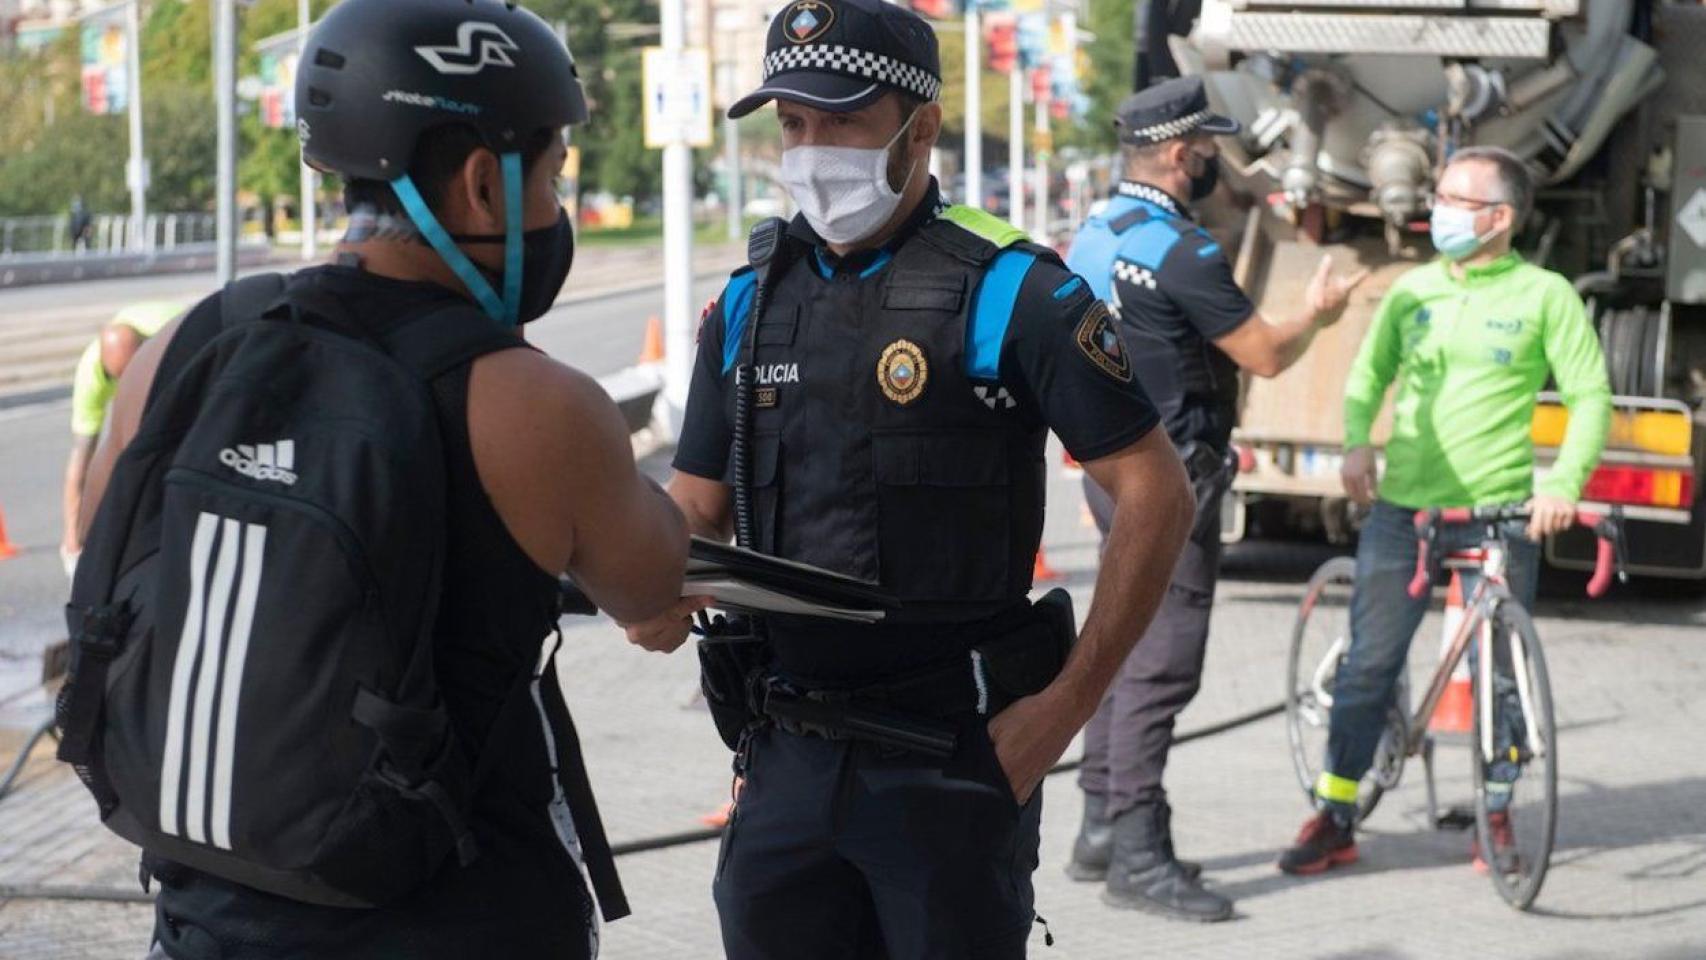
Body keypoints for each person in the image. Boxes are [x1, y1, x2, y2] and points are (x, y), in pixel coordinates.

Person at [75, 1, 689, 956]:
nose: (557, 210)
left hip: (207, 915)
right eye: (555, 175)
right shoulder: (532, 404)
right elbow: (652, 584)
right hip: (453, 917)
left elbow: (105, 550)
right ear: (484, 185)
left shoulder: (184, 349)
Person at [621, 1, 1195, 955]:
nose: (810, 149)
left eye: (841, 119)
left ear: (920, 127)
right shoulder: (747, 302)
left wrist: (1063, 712)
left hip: (953, 759)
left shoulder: (1016, 288)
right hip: (783, 762)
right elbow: (692, 505)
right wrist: (639, 582)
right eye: (792, 124)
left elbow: (1156, 493)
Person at [1062, 75, 1369, 921]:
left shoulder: (1092, 232)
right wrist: (1318, 312)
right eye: (1206, 150)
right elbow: (1263, 355)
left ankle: (1095, 825)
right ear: (1175, 152)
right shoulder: (1179, 248)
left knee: (1118, 642)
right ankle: (1136, 849)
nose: (1213, 163)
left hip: (1107, 466)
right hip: (1172, 475)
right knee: (1163, 661)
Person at [1278, 145, 1610, 876]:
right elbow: (1370, 372)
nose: (1440, 209)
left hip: (1499, 513)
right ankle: (1336, 813)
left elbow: (1589, 396)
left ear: (1501, 217)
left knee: (1504, 674)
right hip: (1404, 510)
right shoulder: (1414, 290)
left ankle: (1494, 812)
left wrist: (1564, 486)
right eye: (1441, 194)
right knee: (1370, 665)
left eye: (1459, 200)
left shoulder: (1546, 294)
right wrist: (1358, 442)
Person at [61, 301, 185, 577]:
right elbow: (81, 459)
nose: (125, 384)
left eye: (131, 375)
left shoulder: (174, 343)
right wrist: (73, 539)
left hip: (185, 355)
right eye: (118, 378)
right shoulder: (92, 372)